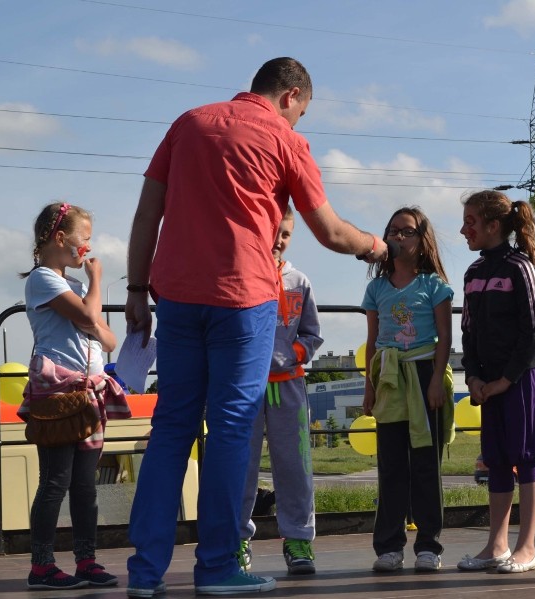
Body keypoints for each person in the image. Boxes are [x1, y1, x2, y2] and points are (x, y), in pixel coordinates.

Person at [124, 57, 388, 598]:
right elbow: (332, 233)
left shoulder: (188, 122)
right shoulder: (284, 140)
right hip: (243, 299)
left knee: (171, 429)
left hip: (174, 295)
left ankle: (145, 574)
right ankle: (218, 566)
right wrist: (375, 246)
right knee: (228, 432)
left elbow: (147, 213)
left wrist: (134, 290)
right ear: (292, 95)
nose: (299, 123)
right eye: (302, 113)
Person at [17, 201, 130, 590]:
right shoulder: (44, 279)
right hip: (58, 390)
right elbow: (86, 319)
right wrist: (97, 282)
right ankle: (42, 564)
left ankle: (86, 560)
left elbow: (110, 341)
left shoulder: (77, 288)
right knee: (55, 479)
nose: (88, 249)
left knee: (85, 483)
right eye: (85, 239)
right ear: (61, 238)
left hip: (89, 390)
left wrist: (92, 314)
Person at [457, 190, 535, 574]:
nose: (464, 230)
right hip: (490, 384)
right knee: (496, 460)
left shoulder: (521, 267)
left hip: (523, 378)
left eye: (471, 222)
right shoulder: (473, 273)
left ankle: (527, 547)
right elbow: (467, 333)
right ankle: (496, 545)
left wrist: (505, 380)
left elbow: (533, 331)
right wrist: (476, 376)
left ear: (493, 226)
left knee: (527, 457)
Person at [360, 206, 455, 573]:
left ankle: (429, 544)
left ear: (422, 239)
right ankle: (389, 546)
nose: (399, 237)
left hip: (422, 372)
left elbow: (445, 338)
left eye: (408, 231)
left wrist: (435, 380)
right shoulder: (376, 289)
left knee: (426, 466)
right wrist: (369, 386)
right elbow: (371, 342)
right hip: (388, 377)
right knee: (391, 465)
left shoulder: (434, 285)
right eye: (393, 231)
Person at [237, 206, 323, 575]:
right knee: (241, 467)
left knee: (295, 466)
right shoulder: (239, 277)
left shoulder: (299, 281)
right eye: (273, 231)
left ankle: (299, 539)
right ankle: (236, 538)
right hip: (245, 389)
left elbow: (312, 334)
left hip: (288, 387)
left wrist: (290, 354)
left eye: (285, 234)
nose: (278, 240)